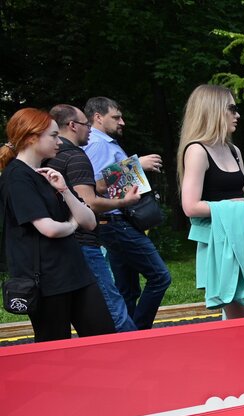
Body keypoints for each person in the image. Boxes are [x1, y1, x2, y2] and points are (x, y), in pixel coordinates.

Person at [0, 108, 115, 341]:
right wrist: (72, 225)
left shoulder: (49, 172)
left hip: (74, 272)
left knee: (104, 337)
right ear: (32, 137)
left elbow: (90, 221)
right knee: (54, 348)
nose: (59, 142)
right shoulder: (16, 177)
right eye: (53, 136)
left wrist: (64, 190)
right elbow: (49, 228)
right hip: (45, 280)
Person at [81, 96, 172, 330]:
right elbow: (97, 185)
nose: (122, 122)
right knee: (160, 277)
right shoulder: (99, 144)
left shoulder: (107, 143)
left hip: (116, 222)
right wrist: (136, 165)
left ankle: (127, 338)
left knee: (128, 289)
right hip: (115, 223)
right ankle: (138, 332)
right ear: (98, 117)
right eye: (116, 117)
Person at [44, 104, 136, 332]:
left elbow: (92, 184)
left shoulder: (52, 157)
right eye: (117, 117)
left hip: (62, 245)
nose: (122, 122)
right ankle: (135, 350)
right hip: (87, 240)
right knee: (116, 307)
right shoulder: (80, 153)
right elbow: (90, 200)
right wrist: (134, 171)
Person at [178, 84, 244, 319]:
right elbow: (190, 206)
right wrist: (240, 208)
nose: (237, 115)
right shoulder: (196, 151)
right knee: (241, 315)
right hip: (221, 240)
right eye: (232, 109)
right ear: (213, 110)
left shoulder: (234, 150)